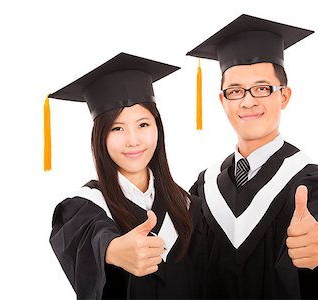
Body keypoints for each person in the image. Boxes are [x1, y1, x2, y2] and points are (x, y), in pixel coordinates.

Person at [187, 14, 318, 299]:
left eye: (262, 89)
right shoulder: (204, 186)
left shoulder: (308, 179)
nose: (248, 101)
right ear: (223, 101)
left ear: (284, 96)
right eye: (235, 91)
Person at [48, 52, 207, 299]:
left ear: (157, 128)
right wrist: (111, 249)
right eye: (117, 128)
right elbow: (89, 236)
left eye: (143, 125)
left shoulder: (189, 206)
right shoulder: (86, 208)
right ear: (101, 137)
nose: (133, 141)